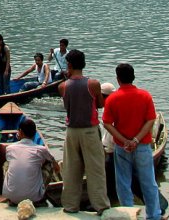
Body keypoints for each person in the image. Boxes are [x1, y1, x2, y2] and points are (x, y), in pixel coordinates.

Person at [102, 63, 163, 220]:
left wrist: (124, 140)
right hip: (142, 146)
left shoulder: (112, 99)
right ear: (133, 77)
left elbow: (107, 123)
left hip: (122, 147)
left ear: (118, 79)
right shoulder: (145, 96)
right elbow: (150, 120)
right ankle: (154, 216)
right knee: (149, 182)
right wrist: (136, 140)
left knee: (123, 183)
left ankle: (128, 215)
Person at [59, 49, 110, 214]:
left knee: (71, 170)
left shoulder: (62, 86)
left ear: (70, 65)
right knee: (95, 169)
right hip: (89, 130)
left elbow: (67, 107)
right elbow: (100, 104)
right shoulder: (93, 84)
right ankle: (101, 206)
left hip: (71, 132)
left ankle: (70, 205)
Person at [2, 117, 61, 205]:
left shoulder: (10, 148)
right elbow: (56, 167)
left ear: (20, 132)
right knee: (49, 163)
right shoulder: (41, 149)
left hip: (12, 197)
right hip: (34, 198)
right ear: (34, 133)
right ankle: (42, 190)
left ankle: (15, 192)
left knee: (6, 164)